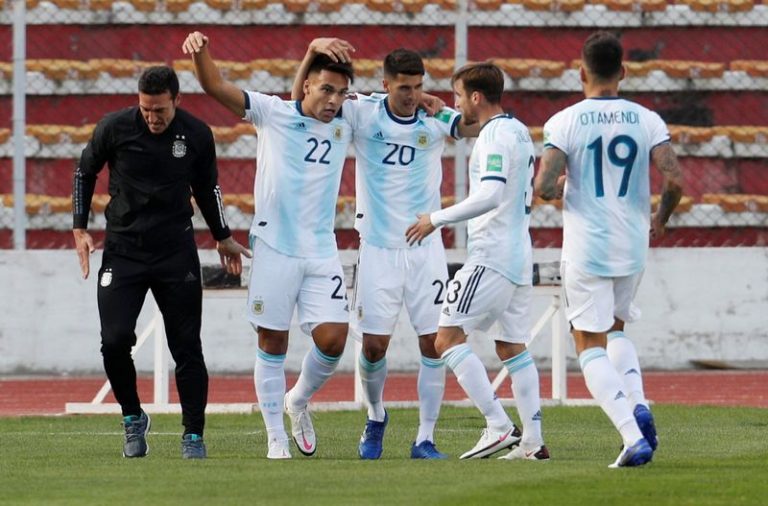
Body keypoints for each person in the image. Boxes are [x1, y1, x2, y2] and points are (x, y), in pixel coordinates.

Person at [291, 41, 480, 460]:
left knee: (434, 343)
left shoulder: (434, 119)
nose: (411, 95)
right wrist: (310, 58)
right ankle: (376, 416)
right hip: (377, 248)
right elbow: (300, 102)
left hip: (425, 249)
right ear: (385, 85)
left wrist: (444, 108)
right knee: (374, 346)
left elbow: (474, 126)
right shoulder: (362, 112)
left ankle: (425, 438)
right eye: (403, 87)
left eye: (417, 86)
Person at [182, 31, 356, 459]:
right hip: (275, 247)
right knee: (272, 342)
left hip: (320, 250)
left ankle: (297, 400)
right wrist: (200, 52)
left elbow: (397, 103)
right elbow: (214, 86)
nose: (334, 99)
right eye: (327, 89)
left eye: (342, 92)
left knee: (334, 339)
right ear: (308, 85)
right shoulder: (272, 113)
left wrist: (427, 103)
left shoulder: (347, 121)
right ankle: (275, 435)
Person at [72, 65, 251, 460]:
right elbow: (84, 173)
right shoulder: (114, 128)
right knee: (114, 341)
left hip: (175, 252)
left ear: (177, 101)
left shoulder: (197, 134)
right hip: (124, 250)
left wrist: (222, 236)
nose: (153, 119)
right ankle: (133, 417)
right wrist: (79, 228)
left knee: (186, 346)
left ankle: (193, 434)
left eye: (161, 112)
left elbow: (208, 188)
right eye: (146, 110)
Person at [535, 31, 684, 468]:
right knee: (616, 330)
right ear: (622, 71)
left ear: (581, 72)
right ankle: (638, 401)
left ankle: (630, 433)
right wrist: (661, 219)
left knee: (587, 342)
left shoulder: (564, 121)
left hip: (588, 246)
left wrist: (562, 186)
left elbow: (544, 186)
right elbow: (674, 180)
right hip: (632, 243)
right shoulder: (646, 119)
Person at [406, 62, 549, 461]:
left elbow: (490, 194)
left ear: (475, 97)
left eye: (457, 96)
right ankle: (534, 443)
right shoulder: (517, 130)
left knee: (446, 338)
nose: (454, 103)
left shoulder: (493, 137)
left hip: (493, 254)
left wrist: (435, 218)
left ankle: (499, 426)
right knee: (512, 347)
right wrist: (445, 112)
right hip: (519, 254)